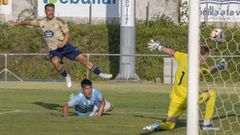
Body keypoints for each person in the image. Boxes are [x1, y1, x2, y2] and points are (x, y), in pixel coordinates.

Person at [8, 3, 112, 88]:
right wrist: (16, 23)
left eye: (52, 10)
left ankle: (101, 74)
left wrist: (64, 42)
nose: (50, 12)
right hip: (54, 50)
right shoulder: (41, 22)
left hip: (65, 46)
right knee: (55, 62)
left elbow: (67, 33)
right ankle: (67, 76)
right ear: (45, 11)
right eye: (48, 10)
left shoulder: (60, 21)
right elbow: (28, 22)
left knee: (83, 59)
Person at [143, 39, 227, 131]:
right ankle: (206, 124)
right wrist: (219, 67)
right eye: (205, 57)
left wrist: (159, 47)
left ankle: (156, 126)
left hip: (175, 99)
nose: (206, 59)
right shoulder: (195, 70)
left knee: (169, 125)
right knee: (212, 93)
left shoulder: (184, 57)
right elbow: (209, 70)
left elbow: (171, 52)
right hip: (189, 99)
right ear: (199, 55)